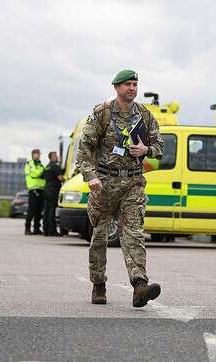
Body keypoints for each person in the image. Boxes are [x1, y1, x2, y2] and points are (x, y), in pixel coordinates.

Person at [76, 69, 164, 307]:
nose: (132, 89)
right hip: (104, 184)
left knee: (133, 234)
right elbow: (84, 149)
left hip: (133, 183)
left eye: (135, 84)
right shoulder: (102, 113)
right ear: (116, 87)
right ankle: (98, 284)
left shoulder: (145, 115)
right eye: (127, 85)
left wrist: (146, 150)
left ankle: (139, 286)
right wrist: (91, 176)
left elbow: (159, 146)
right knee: (100, 237)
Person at [24, 149, 45, 235]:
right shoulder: (29, 164)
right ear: (33, 154)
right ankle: (27, 228)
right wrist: (41, 174)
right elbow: (34, 174)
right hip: (33, 189)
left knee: (39, 211)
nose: (38, 155)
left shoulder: (41, 165)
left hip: (41, 189)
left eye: (39, 154)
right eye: (36, 154)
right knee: (31, 210)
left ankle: (37, 228)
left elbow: (44, 174)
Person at [43, 151, 64, 236]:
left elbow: (43, 176)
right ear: (51, 157)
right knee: (52, 211)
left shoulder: (47, 166)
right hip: (53, 190)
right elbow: (60, 178)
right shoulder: (56, 166)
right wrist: (66, 179)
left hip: (46, 189)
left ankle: (45, 230)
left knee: (46, 210)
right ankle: (52, 231)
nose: (57, 157)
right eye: (55, 156)